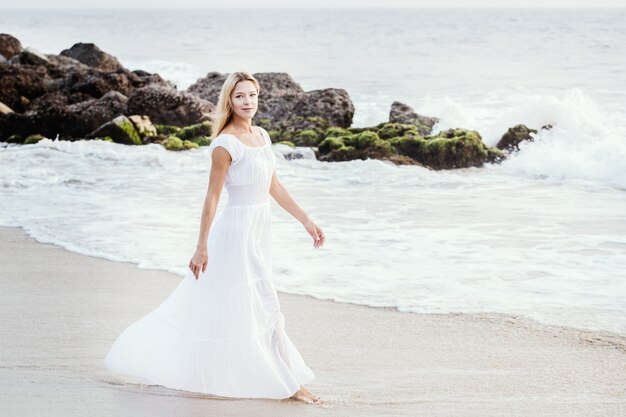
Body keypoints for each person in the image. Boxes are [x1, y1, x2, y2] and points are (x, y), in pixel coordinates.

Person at [104, 71, 324, 404]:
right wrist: (201, 247)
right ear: (229, 101)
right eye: (240, 97)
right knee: (263, 304)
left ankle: (282, 379)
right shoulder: (224, 144)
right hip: (235, 233)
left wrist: (306, 220)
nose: (247, 102)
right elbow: (212, 197)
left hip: (259, 230)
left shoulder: (262, 136)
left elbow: (274, 186)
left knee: (256, 305)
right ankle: (289, 385)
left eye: (252, 95)